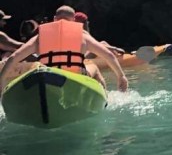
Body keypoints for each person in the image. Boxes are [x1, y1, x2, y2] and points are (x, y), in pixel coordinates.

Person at [0, 5, 128, 94]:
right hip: (76, 78)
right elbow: (108, 55)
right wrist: (121, 76)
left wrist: (1, 81)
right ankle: (104, 100)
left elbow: (13, 58)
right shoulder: (82, 35)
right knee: (94, 68)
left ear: (54, 19)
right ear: (73, 20)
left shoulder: (41, 36)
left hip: (49, 79)